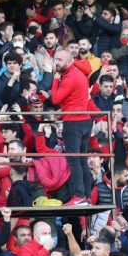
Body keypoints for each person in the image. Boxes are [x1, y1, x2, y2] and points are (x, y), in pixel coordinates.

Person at [52, 49, 95, 206]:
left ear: (69, 61)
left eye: (60, 60)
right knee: (82, 160)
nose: (56, 62)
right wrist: (63, 113)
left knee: (74, 161)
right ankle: (87, 197)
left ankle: (78, 196)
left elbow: (56, 98)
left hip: (74, 123)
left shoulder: (69, 77)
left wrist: (55, 79)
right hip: (84, 121)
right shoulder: (79, 74)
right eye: (55, 59)